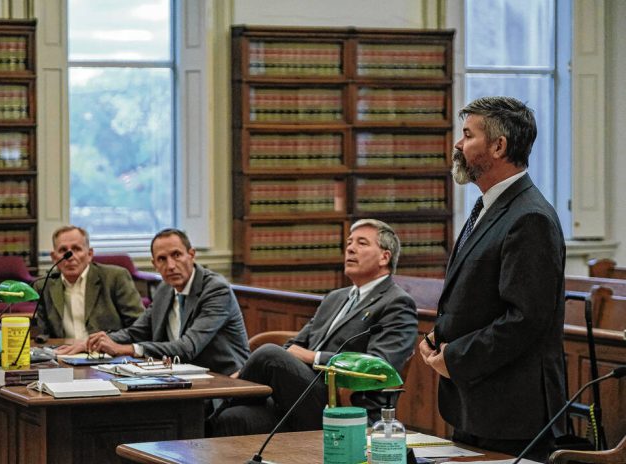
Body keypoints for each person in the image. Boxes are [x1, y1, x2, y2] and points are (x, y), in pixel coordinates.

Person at [418, 96, 566, 461]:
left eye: (468, 135)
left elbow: (525, 319)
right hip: (478, 403)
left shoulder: (530, 217)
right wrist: (439, 337)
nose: (458, 144)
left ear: (498, 146)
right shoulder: (489, 206)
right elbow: (479, 297)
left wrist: (456, 358)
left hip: (511, 412)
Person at [208, 219, 418, 436]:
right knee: (231, 418)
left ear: (385, 257)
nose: (350, 248)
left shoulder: (396, 303)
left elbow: (379, 367)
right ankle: (209, 420)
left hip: (343, 404)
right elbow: (295, 345)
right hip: (296, 396)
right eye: (349, 243)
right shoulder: (335, 298)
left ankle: (217, 403)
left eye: (362, 243)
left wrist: (314, 357)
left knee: (269, 354)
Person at [57, 228, 250, 376]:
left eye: (176, 255)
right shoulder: (165, 289)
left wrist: (128, 350)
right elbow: (136, 332)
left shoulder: (216, 290)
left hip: (224, 382)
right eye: (162, 259)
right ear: (154, 264)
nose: (171, 265)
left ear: (191, 255)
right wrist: (92, 343)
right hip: (180, 376)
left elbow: (188, 347)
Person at [35, 225, 144, 338]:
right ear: (54, 257)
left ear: (90, 254)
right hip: (63, 348)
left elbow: (139, 327)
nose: (70, 257)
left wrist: (110, 341)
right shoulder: (44, 285)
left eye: (76, 249)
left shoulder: (114, 278)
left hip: (107, 347)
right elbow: (43, 334)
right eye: (63, 250)